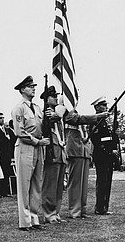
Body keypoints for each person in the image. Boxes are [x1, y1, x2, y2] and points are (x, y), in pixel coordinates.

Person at [40, 86, 109, 222]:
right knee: (58, 184)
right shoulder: (52, 112)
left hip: (68, 149)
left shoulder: (63, 111)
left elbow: (78, 119)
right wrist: (98, 116)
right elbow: (74, 120)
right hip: (57, 149)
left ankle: (61, 212)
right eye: (53, 96)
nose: (56, 98)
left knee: (64, 185)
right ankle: (56, 212)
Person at [11, 75, 50, 231]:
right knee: (24, 184)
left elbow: (42, 127)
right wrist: (37, 141)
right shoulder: (19, 108)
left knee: (36, 184)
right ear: (22, 89)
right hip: (25, 147)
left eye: (34, 86)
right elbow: (20, 131)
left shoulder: (38, 108)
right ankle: (25, 221)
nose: (33, 88)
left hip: (39, 147)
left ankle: (34, 218)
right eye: (30, 86)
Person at [89, 96, 119, 215]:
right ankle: (100, 207)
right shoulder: (96, 121)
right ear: (97, 107)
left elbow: (110, 138)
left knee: (107, 182)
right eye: (103, 105)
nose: (106, 107)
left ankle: (104, 206)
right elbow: (97, 139)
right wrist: (109, 150)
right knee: (102, 181)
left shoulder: (105, 122)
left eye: (106, 105)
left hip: (108, 156)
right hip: (102, 155)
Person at [0, 112, 14, 197]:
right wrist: (6, 138)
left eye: (3, 118)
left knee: (6, 172)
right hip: (0, 153)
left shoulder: (6, 129)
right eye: (0, 118)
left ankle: (4, 191)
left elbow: (12, 138)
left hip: (7, 154)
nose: (2, 119)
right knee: (0, 172)